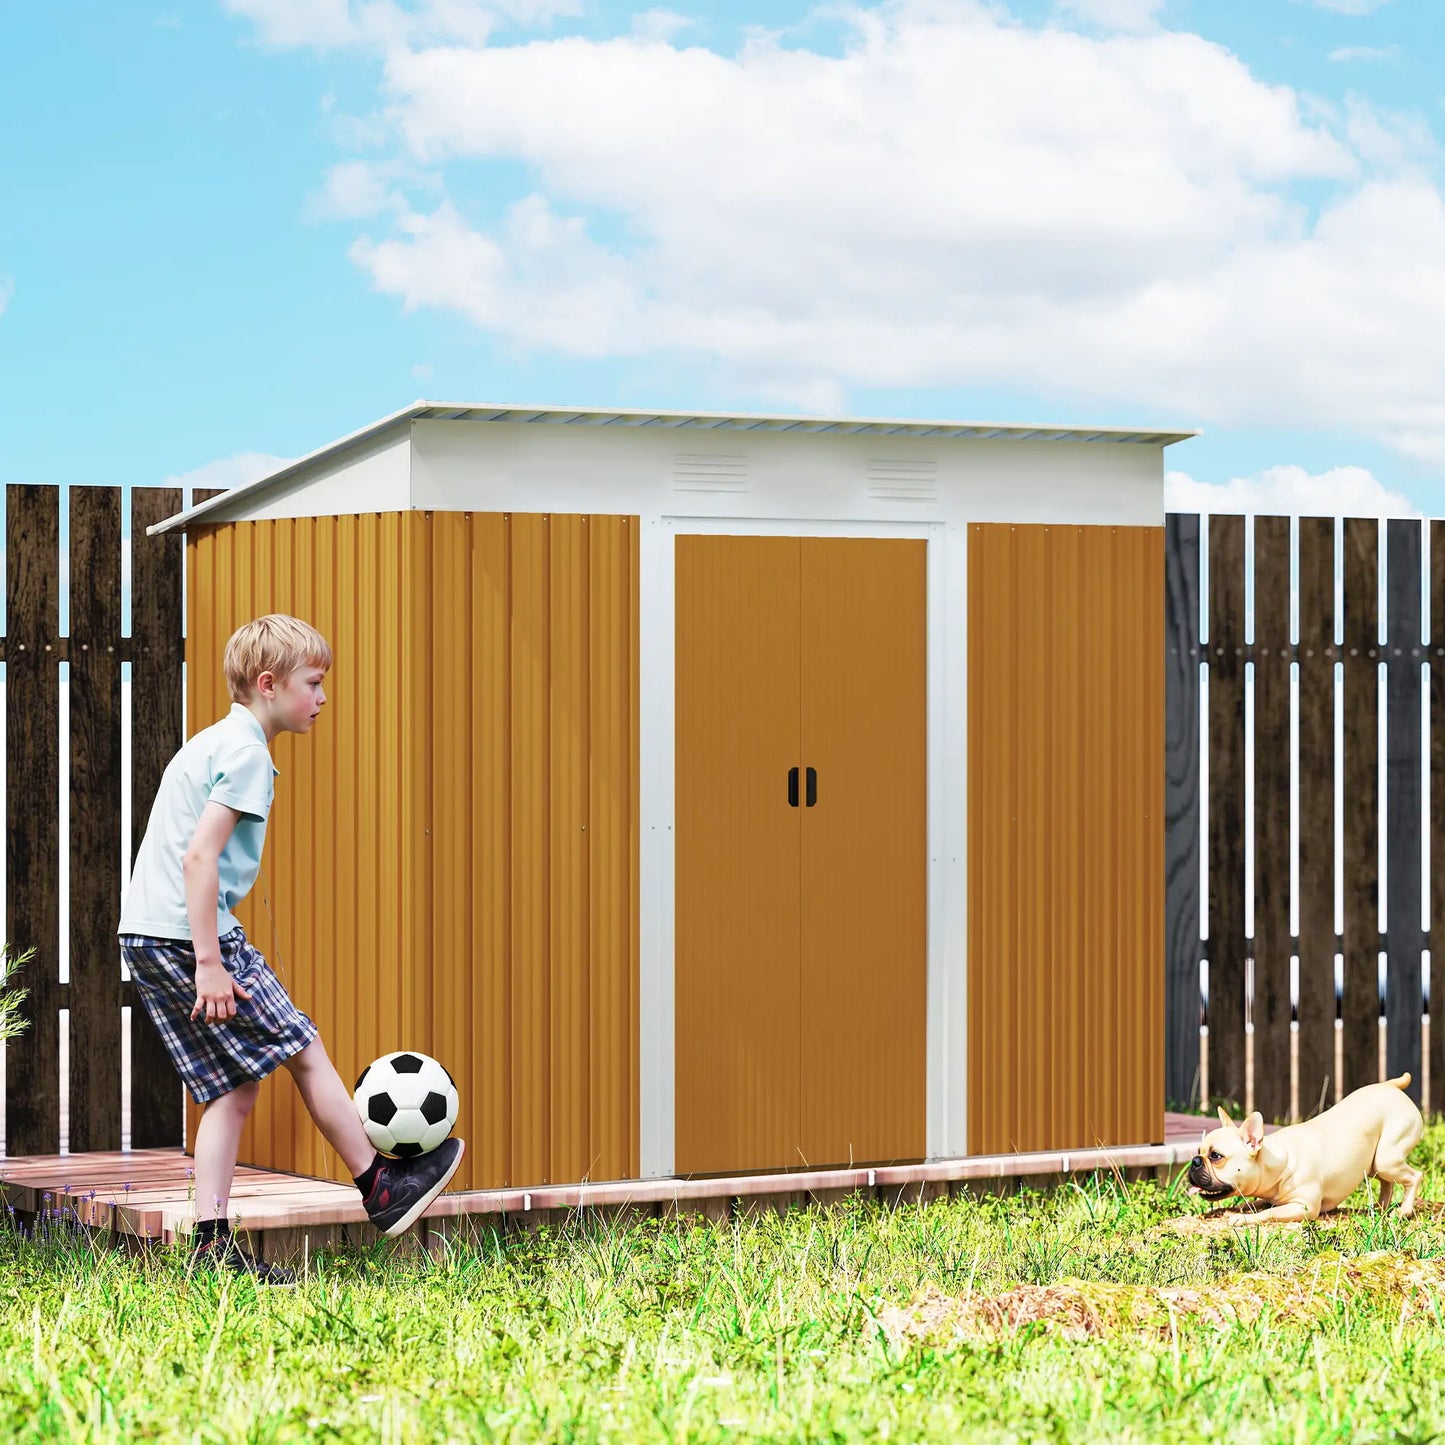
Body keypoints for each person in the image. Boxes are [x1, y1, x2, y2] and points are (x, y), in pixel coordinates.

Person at [119, 614, 464, 1284]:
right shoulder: (246, 752)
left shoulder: (213, 742)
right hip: (190, 935)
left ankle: (210, 1244)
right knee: (304, 1048)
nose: (322, 697)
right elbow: (199, 857)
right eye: (314, 682)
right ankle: (379, 1183)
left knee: (234, 1084)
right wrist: (211, 962)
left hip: (147, 932)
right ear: (268, 684)